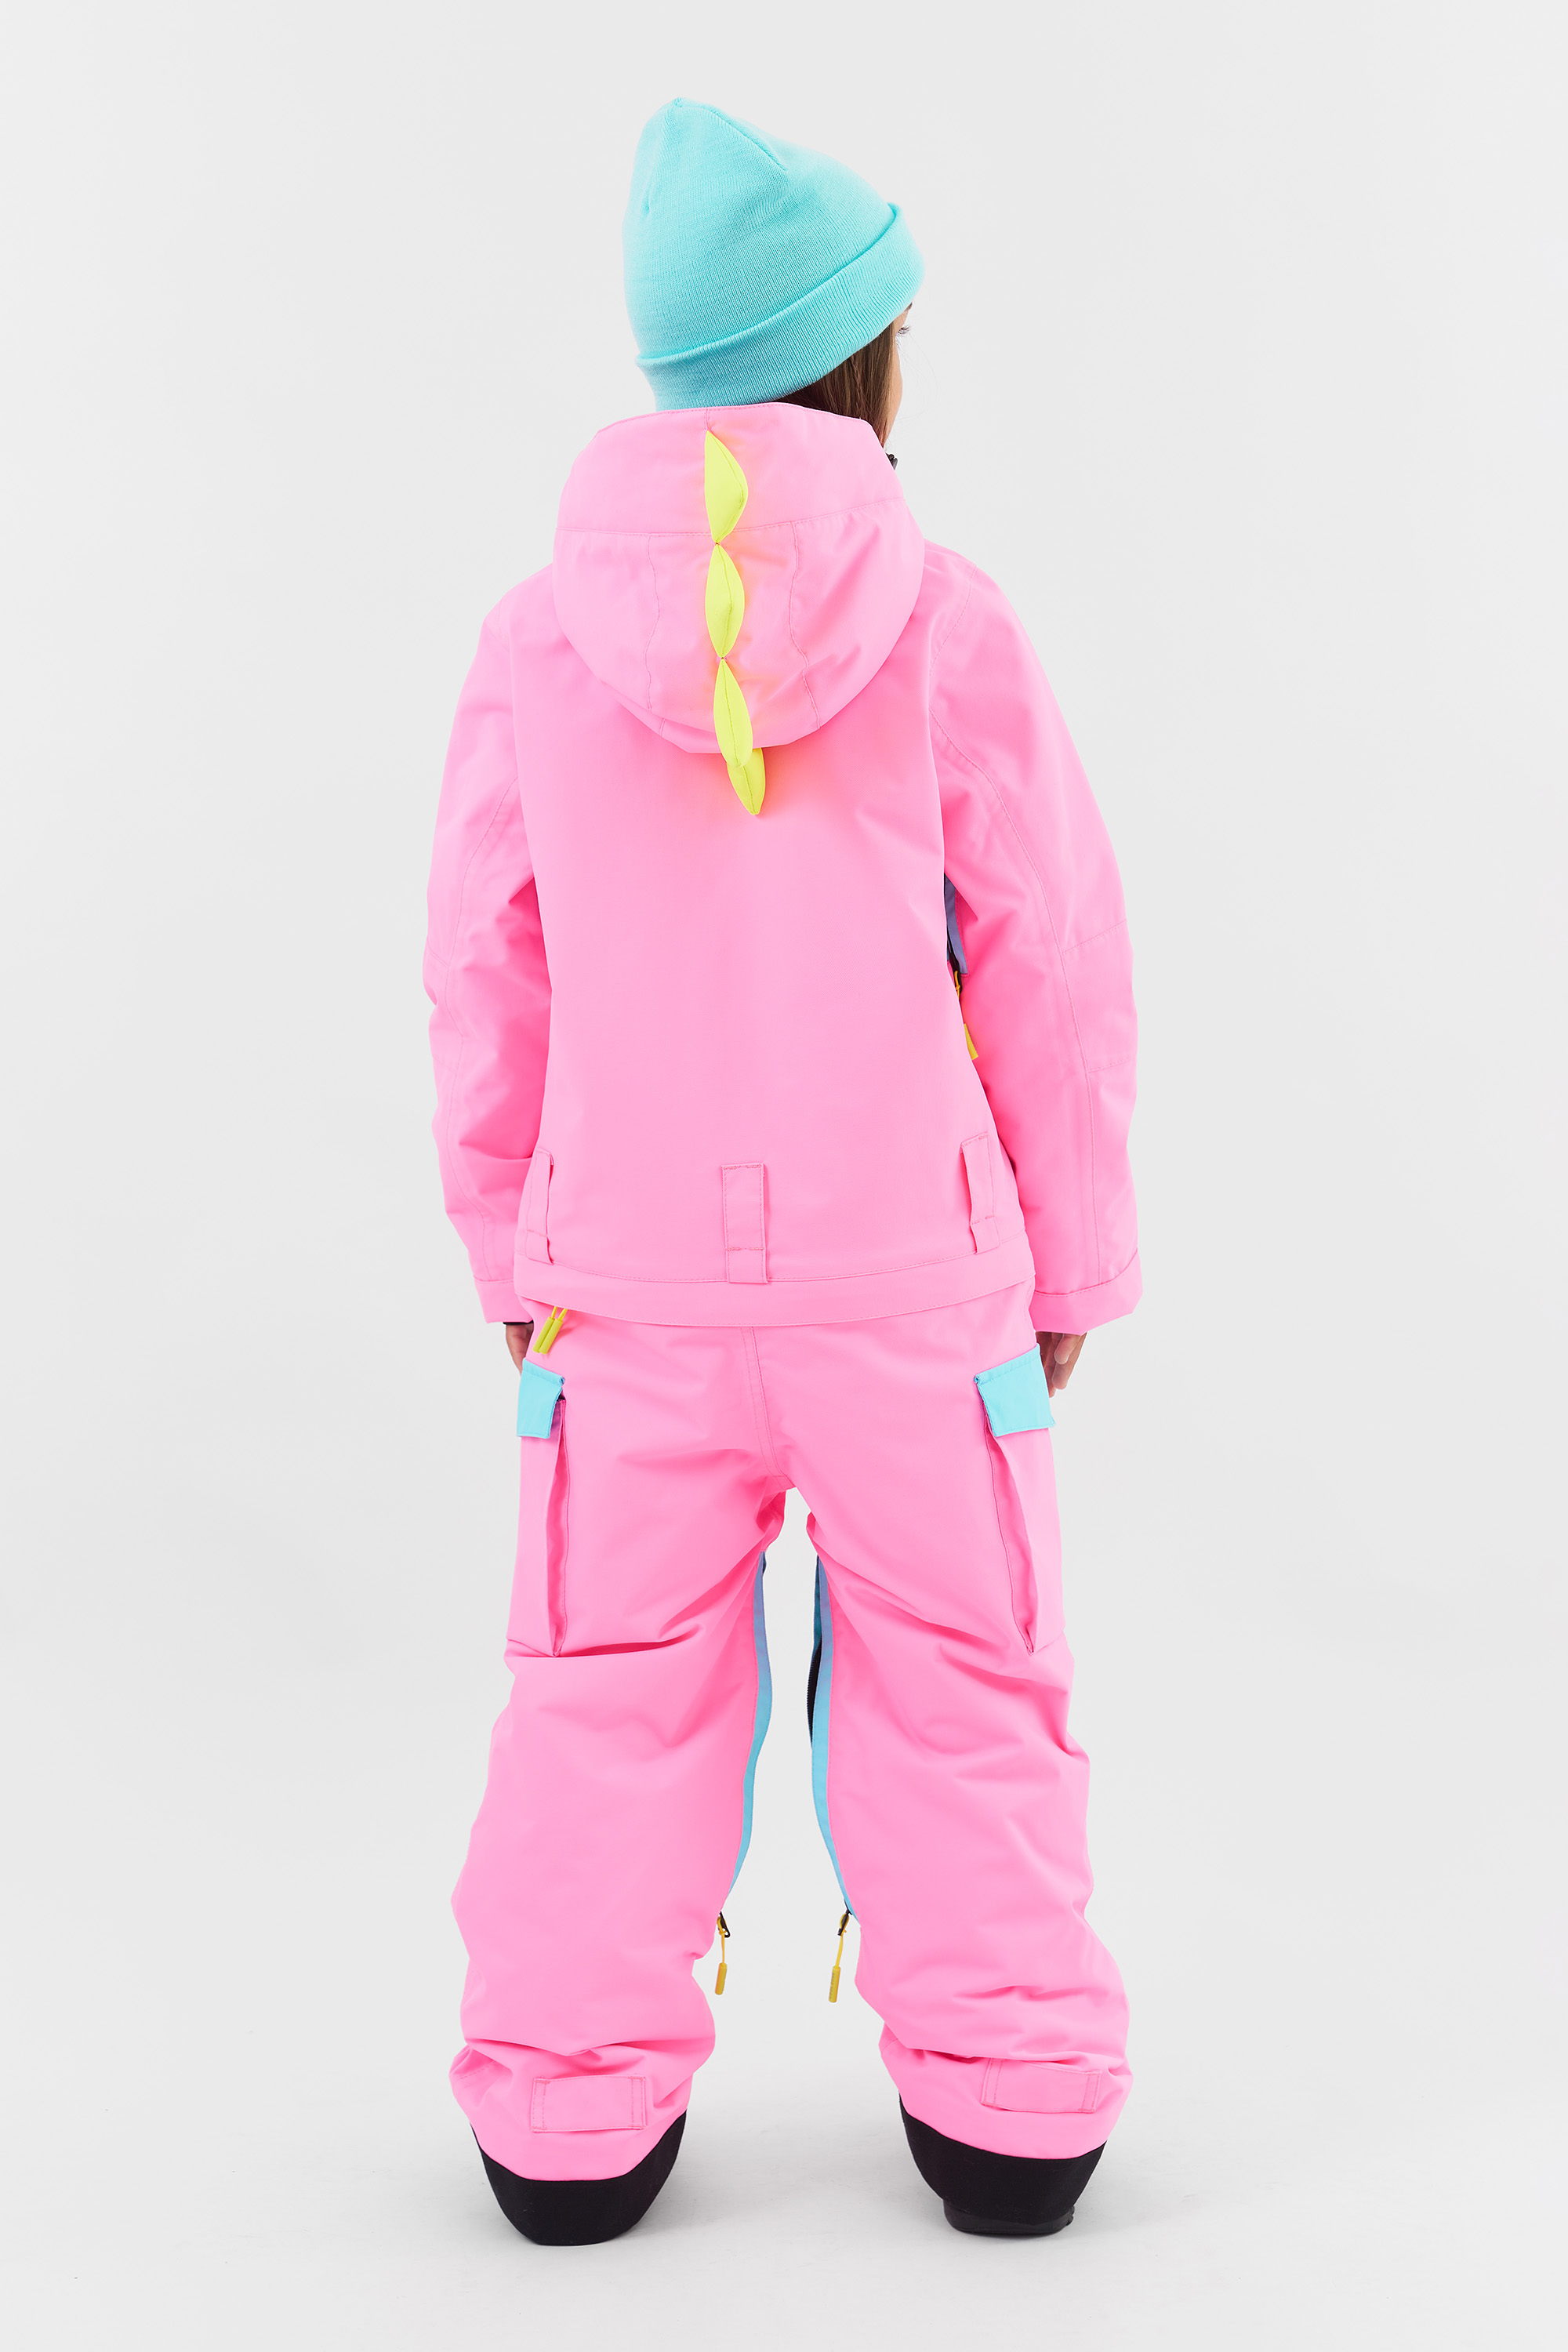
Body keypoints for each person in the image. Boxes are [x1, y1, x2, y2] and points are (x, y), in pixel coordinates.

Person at [425, 98, 1140, 2247]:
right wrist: (1068, 1269)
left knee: (605, 1698)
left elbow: (484, 971)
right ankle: (1013, 2116)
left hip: (624, 1292)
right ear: (866, 363)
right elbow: (1053, 965)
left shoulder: (536, 640)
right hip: (914, 1277)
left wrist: (514, 1257)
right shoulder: (948, 620)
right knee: (966, 1676)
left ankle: (566, 2136)